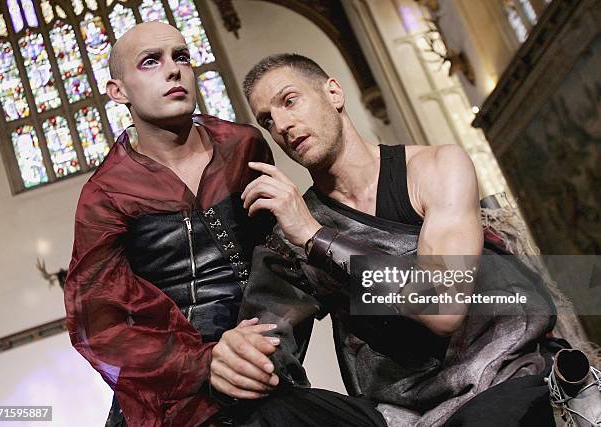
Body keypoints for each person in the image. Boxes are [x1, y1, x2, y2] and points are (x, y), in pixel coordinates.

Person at [65, 23, 386, 427]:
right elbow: (99, 326)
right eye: (151, 62)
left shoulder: (243, 146)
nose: (174, 70)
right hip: (175, 398)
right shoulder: (106, 194)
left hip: (263, 369)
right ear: (119, 91)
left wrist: (263, 350)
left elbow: (280, 267)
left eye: (181, 57)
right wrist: (204, 362)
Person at [217, 53, 558, 426]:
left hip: (498, 376)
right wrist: (235, 356)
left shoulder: (436, 169)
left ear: (333, 93)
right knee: (271, 413)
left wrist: (316, 237)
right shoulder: (290, 232)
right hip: (398, 414)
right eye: (267, 119)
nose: (281, 124)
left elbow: (444, 307)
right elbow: (264, 341)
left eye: (289, 100)